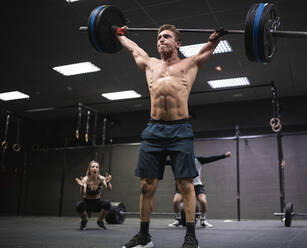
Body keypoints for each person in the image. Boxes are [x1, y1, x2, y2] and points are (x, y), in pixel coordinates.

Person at [116, 24, 225, 248]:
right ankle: (144, 236)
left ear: (178, 43)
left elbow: (206, 50)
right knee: (146, 185)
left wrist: (214, 39)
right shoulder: (150, 64)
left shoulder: (188, 65)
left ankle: (191, 236)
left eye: (166, 37)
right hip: (153, 130)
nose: (161, 40)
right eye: (158, 38)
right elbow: (133, 48)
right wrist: (118, 34)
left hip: (180, 130)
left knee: (186, 184)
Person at [169, 151, 232, 228]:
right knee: (176, 201)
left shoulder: (198, 160)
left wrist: (224, 155)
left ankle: (203, 220)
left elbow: (211, 158)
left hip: (197, 186)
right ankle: (178, 220)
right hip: (183, 186)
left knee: (203, 201)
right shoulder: (178, 160)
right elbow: (165, 162)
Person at [75, 160, 112, 230]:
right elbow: (83, 193)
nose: (95, 168)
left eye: (96, 167)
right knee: (79, 205)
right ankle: (84, 220)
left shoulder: (101, 179)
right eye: (93, 167)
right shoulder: (86, 179)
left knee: (107, 204)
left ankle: (100, 221)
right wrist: (82, 186)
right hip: (87, 203)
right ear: (90, 169)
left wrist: (107, 182)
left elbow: (109, 188)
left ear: (98, 169)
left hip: (97, 203)